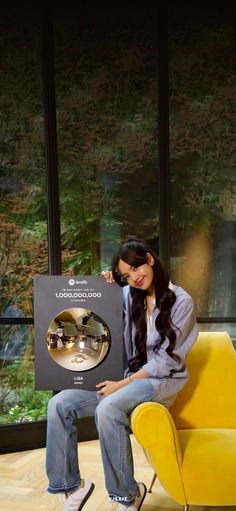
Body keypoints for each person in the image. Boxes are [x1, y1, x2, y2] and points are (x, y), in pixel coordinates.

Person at [45, 238, 198, 511]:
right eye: (126, 275)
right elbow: (98, 317)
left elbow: (167, 360)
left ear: (150, 260)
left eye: (136, 269)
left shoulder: (181, 301)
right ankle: (71, 489)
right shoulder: (128, 295)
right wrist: (104, 287)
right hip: (123, 377)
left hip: (158, 382)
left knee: (107, 409)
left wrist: (123, 384)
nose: (134, 278)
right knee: (59, 404)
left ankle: (127, 495)